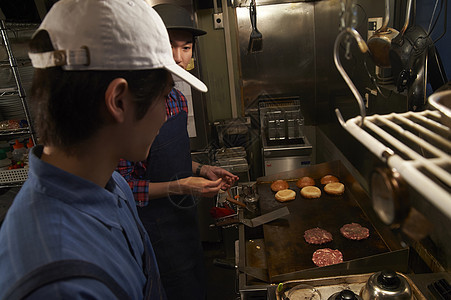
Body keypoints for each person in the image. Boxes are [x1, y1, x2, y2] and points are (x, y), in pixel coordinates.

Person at [0, 0, 208, 299]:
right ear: (119, 101)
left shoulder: (114, 186)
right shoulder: (61, 281)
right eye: (163, 97)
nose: (165, 114)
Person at [116, 4, 239, 299]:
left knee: (196, 281)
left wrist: (199, 170)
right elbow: (122, 188)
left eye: (186, 47)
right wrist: (181, 185)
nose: (178, 57)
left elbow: (168, 155)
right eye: (170, 45)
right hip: (153, 226)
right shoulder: (134, 106)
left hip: (184, 218)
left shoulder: (177, 99)